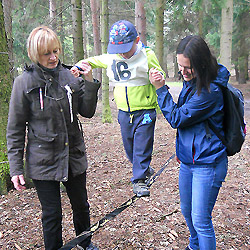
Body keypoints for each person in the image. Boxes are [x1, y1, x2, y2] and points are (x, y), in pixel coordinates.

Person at [6, 26, 100, 250]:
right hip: (42, 159)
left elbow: (87, 111)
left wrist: (88, 81)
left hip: (73, 154)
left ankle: (85, 243)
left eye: (55, 51)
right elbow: (16, 128)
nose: (53, 57)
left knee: (81, 206)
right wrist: (16, 168)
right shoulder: (24, 83)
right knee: (52, 214)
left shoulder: (69, 76)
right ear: (35, 54)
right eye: (46, 53)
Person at [149, 35, 229, 250]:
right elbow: (189, 124)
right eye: (180, 66)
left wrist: (160, 89)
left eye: (188, 67)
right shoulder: (193, 81)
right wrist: (182, 152)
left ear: (201, 64)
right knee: (187, 211)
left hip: (208, 163)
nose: (183, 72)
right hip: (190, 160)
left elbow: (177, 118)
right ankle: (194, 246)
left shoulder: (210, 91)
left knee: (201, 220)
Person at [71, 20, 165, 197]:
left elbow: (160, 73)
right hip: (124, 112)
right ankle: (141, 166)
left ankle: (139, 180)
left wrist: (157, 76)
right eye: (118, 49)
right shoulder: (112, 57)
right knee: (129, 148)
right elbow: (93, 60)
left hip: (145, 110)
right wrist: (78, 66)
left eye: (126, 49)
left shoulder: (147, 55)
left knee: (142, 146)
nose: (122, 53)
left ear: (137, 41)